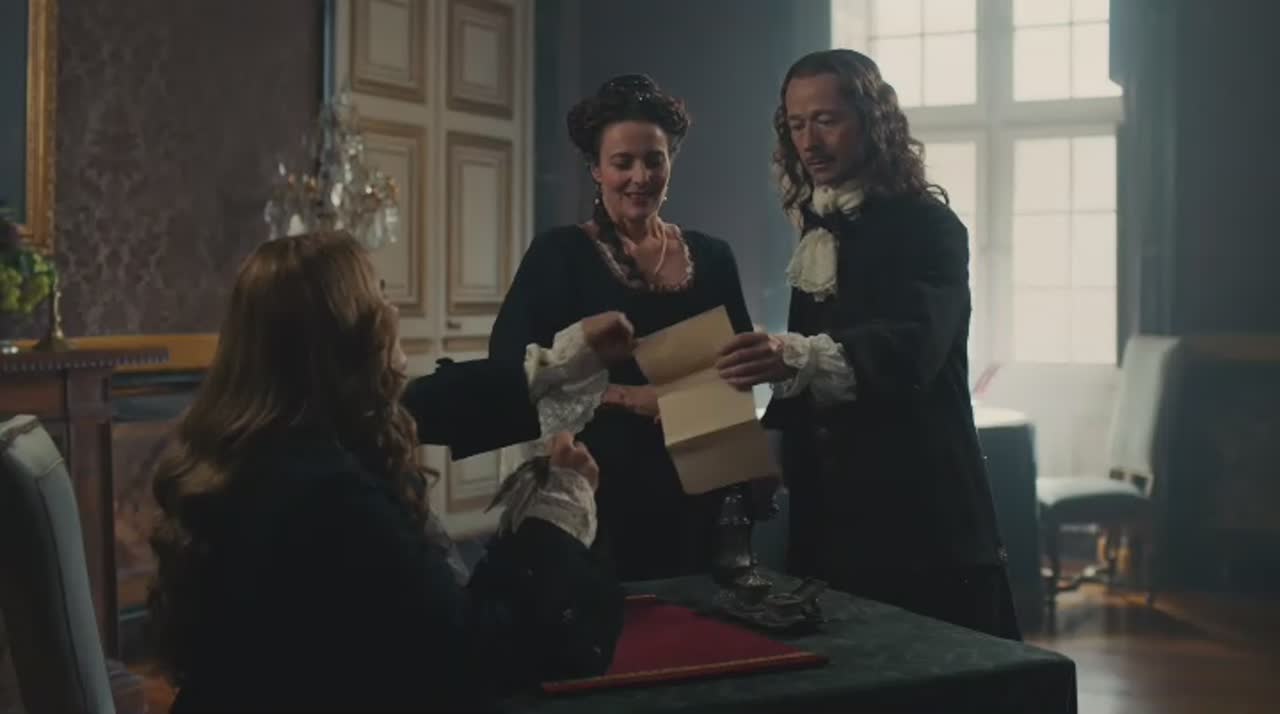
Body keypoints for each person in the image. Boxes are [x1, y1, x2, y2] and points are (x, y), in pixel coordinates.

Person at [149, 232, 636, 713]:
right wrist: (556, 514)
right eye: (378, 296)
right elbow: (469, 657)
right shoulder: (330, 493)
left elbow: (422, 403)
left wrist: (561, 362)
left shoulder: (258, 440)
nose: (393, 311)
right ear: (346, 335)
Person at [717, 49, 1021, 640]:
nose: (810, 142)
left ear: (872, 121)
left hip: (918, 506)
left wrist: (793, 355)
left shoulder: (931, 227)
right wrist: (765, 452)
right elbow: (800, 371)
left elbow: (916, 348)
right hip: (831, 511)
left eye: (826, 120)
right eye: (796, 124)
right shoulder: (818, 228)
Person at [490, 74, 767, 582]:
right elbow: (511, 369)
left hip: (697, 485)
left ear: (670, 162)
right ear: (596, 169)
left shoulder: (713, 256)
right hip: (598, 486)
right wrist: (631, 398)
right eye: (623, 163)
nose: (641, 176)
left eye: (654, 160)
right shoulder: (559, 255)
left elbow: (737, 374)